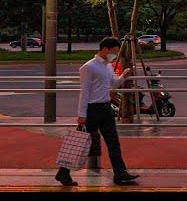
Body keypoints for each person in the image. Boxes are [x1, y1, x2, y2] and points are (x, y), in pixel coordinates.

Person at [55, 37, 140, 186]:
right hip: (92, 110)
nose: (114, 55)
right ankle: (63, 172)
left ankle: (120, 173)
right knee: (78, 142)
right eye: (113, 51)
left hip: (106, 108)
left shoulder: (107, 66)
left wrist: (123, 76)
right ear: (105, 49)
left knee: (113, 142)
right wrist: (81, 114)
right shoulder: (89, 67)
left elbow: (113, 83)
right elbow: (84, 91)